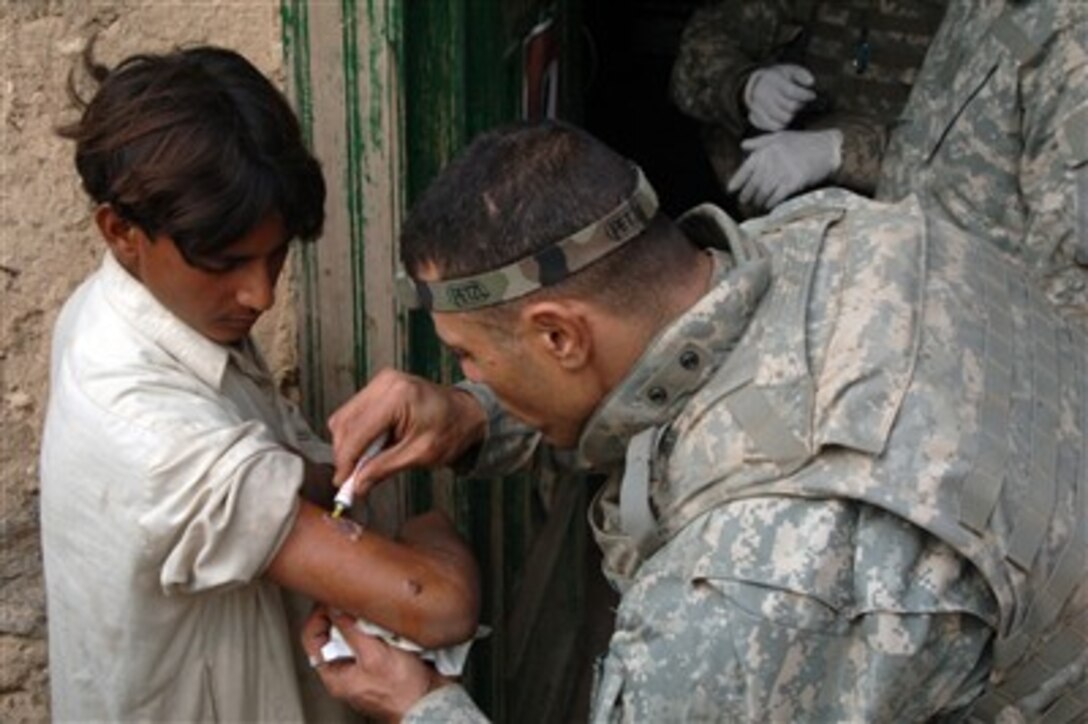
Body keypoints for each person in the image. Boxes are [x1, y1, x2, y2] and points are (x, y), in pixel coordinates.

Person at [302, 121, 1088, 722]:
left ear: (558, 337)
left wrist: (421, 706)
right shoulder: (831, 239)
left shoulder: (750, 590)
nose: (465, 374)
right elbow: (679, 373)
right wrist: (478, 414)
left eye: (468, 357)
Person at [39, 45, 480, 722]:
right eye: (225, 262)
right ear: (121, 231)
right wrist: (433, 532)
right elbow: (441, 607)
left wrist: (330, 475)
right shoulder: (155, 438)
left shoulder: (134, 313)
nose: (260, 294)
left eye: (276, 256)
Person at [876, 0, 1088, 324]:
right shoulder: (978, 8)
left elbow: (1070, 292)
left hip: (986, 349)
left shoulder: (1073, 37)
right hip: (902, 317)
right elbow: (925, 152)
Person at [669, 0, 947, 215]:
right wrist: (746, 86)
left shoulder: (966, 14)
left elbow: (969, 155)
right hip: (775, 215)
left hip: (902, 226)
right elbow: (701, 50)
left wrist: (839, 150)